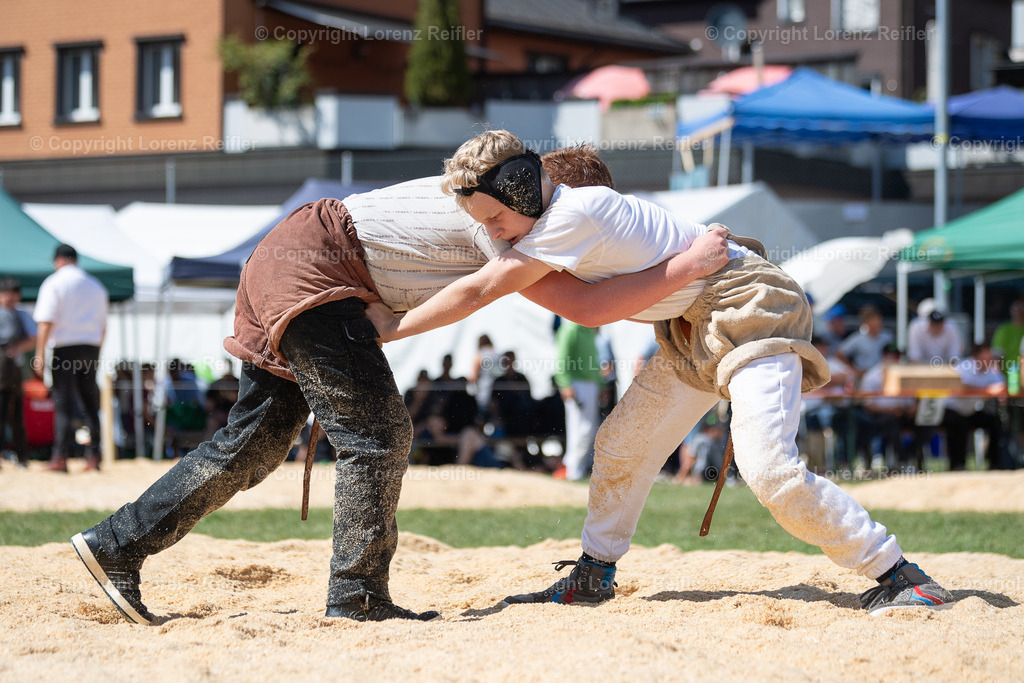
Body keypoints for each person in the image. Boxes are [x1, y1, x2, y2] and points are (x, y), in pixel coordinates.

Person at [70, 161, 731, 625]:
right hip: (317, 271)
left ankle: (117, 544)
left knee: (253, 441)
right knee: (379, 434)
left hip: (293, 258)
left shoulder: (508, 200)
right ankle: (356, 593)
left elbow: (589, 294)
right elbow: (585, 305)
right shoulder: (513, 221)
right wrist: (689, 268)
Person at [371, 130, 953, 616]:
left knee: (770, 470)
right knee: (621, 445)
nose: (493, 230)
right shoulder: (547, 218)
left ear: (523, 188)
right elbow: (505, 276)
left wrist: (390, 328)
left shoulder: (575, 210)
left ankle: (900, 574)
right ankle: (594, 574)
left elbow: (565, 303)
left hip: (744, 303)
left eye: (496, 218)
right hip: (692, 318)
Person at [33, 244, 109, 473]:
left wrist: (39, 354)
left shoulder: (54, 282)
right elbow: (103, 325)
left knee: (63, 404)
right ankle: (94, 456)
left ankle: (60, 458)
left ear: (58, 260)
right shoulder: (96, 285)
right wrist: (96, 351)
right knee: (89, 403)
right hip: (91, 347)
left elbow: (45, 320)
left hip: (65, 348)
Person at [552, 321, 602, 481]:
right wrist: (565, 383)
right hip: (577, 385)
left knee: (587, 429)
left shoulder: (589, 330)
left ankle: (575, 469)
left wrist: (600, 384)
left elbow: (593, 362)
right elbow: (561, 358)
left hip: (589, 385)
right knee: (581, 430)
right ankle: (572, 469)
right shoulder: (570, 329)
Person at [0, 278, 37, 468]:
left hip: (12, 367)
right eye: (6, 293)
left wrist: (17, 348)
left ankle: (22, 457)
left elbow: (33, 337)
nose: (10, 298)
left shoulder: (21, 314)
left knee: (15, 414)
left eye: (13, 294)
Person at [836, 305, 894, 381]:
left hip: (882, 376)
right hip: (863, 377)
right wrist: (854, 369)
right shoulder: (857, 338)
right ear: (866, 322)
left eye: (877, 319)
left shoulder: (888, 337)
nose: (876, 323)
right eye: (872, 320)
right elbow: (839, 353)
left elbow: (894, 354)